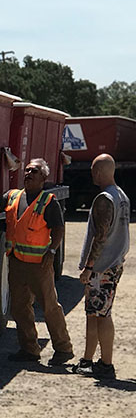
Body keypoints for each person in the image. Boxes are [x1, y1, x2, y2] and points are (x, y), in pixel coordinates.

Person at [0, 159, 73, 364]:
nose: (29, 173)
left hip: (39, 264)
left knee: (49, 307)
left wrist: (51, 252)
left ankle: (63, 349)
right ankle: (29, 349)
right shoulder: (13, 196)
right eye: (27, 170)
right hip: (17, 262)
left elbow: (58, 229)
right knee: (20, 308)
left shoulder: (48, 202)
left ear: (43, 177)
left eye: (35, 171)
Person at [71, 153, 130, 380]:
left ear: (101, 172)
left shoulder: (104, 198)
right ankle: (88, 360)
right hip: (113, 264)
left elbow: (101, 236)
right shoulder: (122, 196)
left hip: (102, 268)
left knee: (101, 315)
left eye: (94, 170)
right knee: (95, 314)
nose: (92, 174)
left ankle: (105, 364)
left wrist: (89, 267)